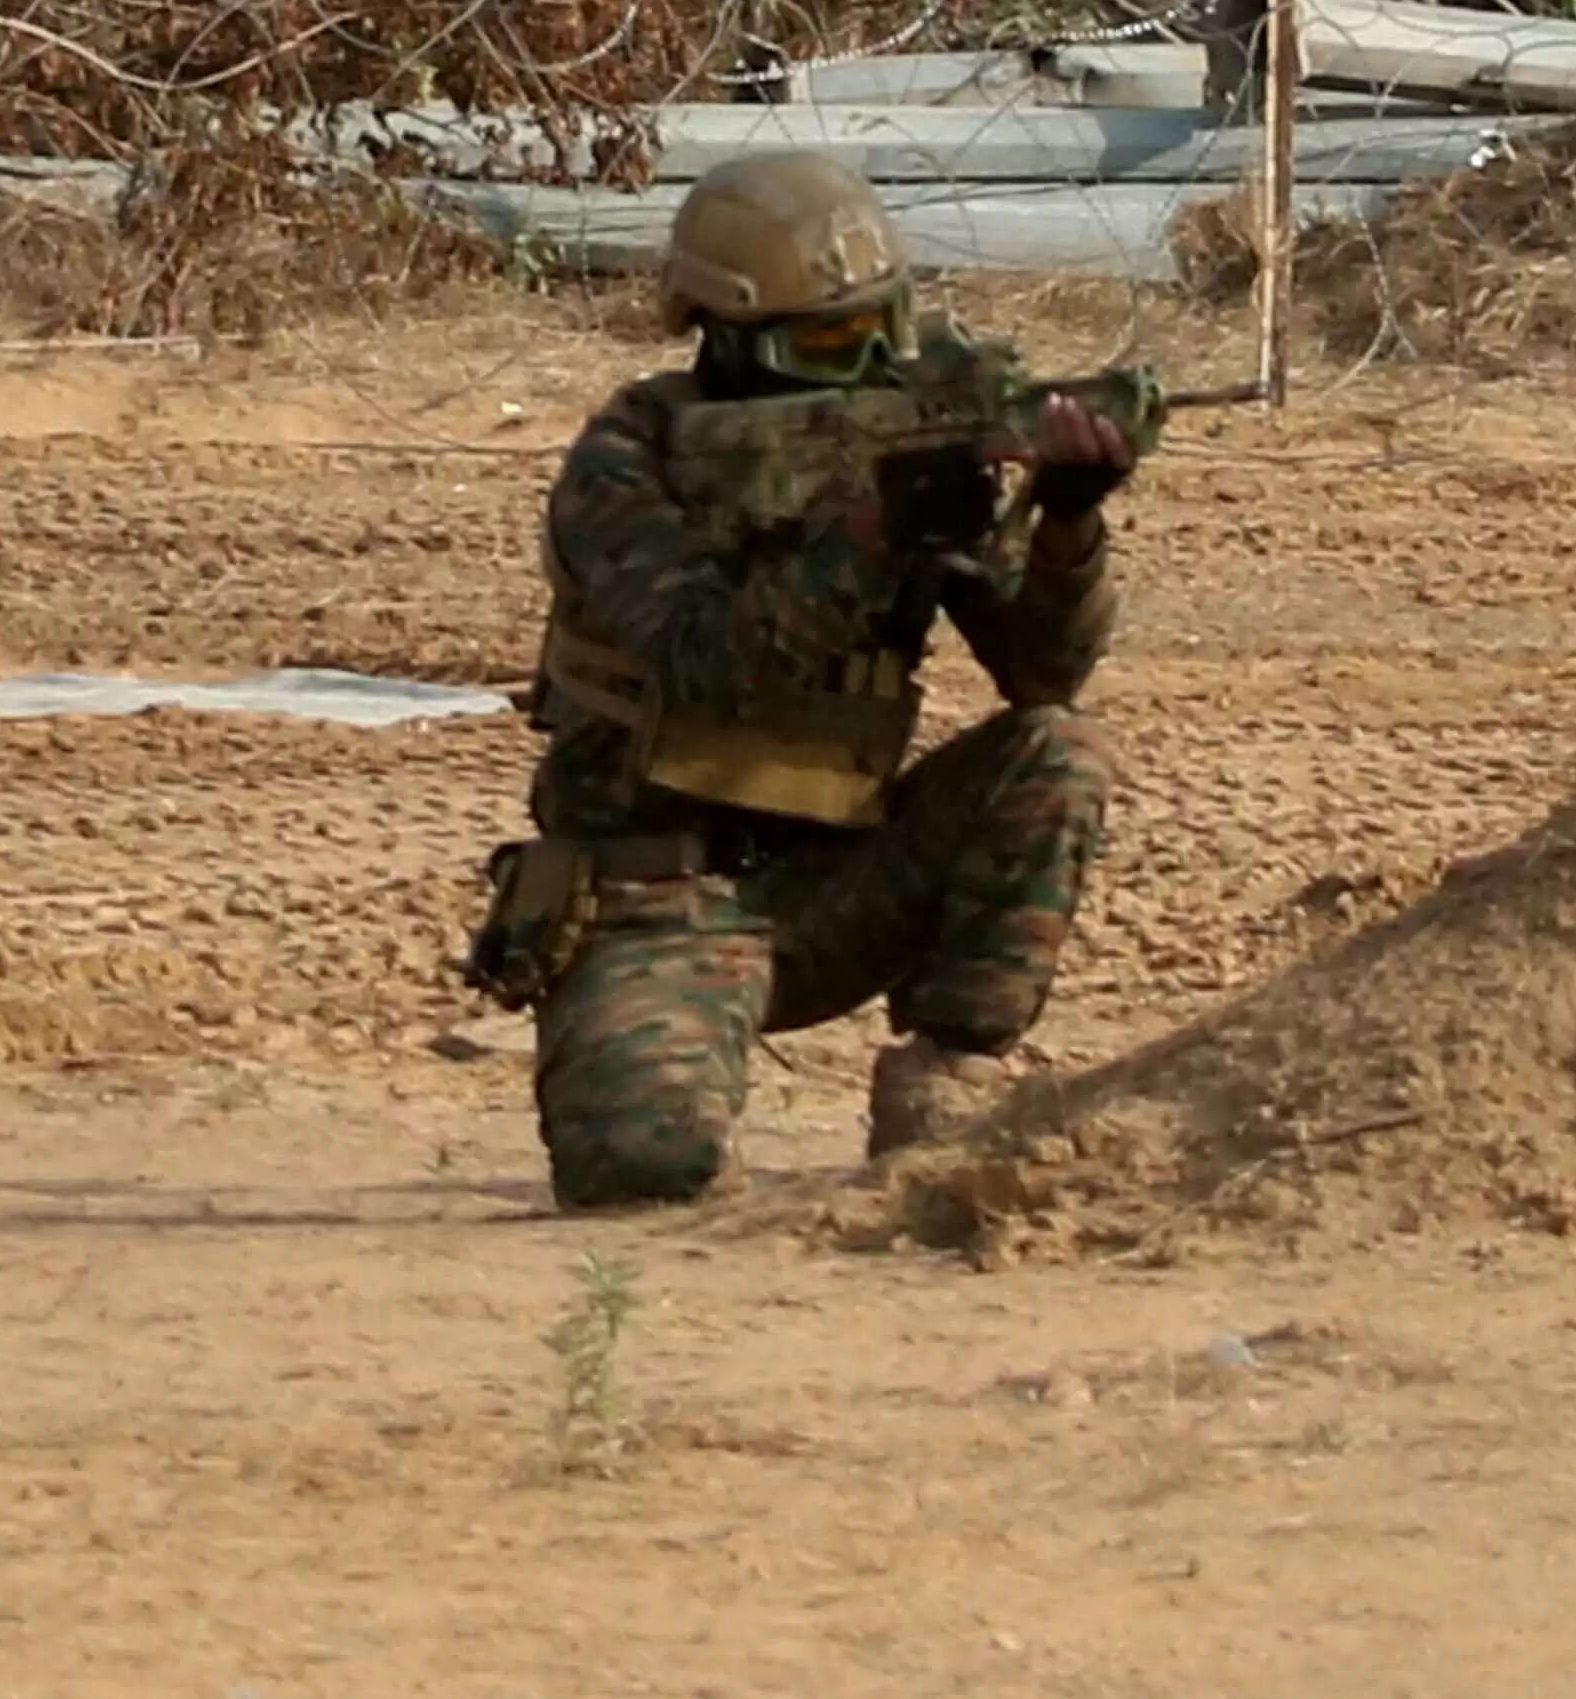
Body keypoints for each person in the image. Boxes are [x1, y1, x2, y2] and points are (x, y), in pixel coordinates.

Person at [482, 157, 1138, 1206]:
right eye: (832, 344)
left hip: (841, 882)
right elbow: (703, 663)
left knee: (1060, 752)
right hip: (655, 895)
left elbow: (1041, 671)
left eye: (887, 327)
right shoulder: (629, 461)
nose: (872, 365)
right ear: (725, 334)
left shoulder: (915, 433)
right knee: (644, 1171)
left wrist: (1065, 523)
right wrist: (869, 540)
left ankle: (950, 1073)